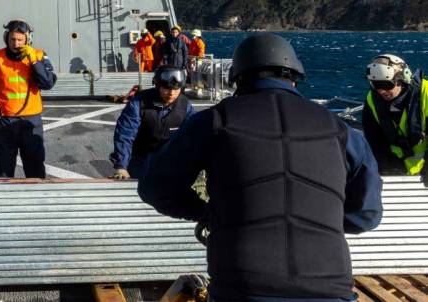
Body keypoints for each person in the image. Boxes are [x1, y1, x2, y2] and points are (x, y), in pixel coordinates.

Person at [136, 34, 383, 300]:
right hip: (329, 289)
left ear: (238, 78)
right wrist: (322, 220)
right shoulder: (341, 130)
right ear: (294, 76)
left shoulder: (214, 122)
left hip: (242, 289)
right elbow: (367, 215)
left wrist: (204, 212)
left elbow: (154, 186)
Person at [0, 20, 57, 178]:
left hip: (31, 122)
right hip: (4, 123)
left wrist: (34, 62)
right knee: (3, 171)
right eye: (12, 39)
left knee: (35, 169)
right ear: (6, 38)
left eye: (20, 40)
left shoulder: (39, 55)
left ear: (28, 39)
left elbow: (47, 83)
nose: (16, 43)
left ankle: (37, 201)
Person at [110, 65, 195, 179]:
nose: (171, 93)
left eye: (176, 90)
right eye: (166, 89)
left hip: (170, 158)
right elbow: (125, 134)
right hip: (141, 159)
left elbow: (195, 135)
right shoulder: (139, 104)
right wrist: (121, 167)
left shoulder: (185, 107)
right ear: (158, 86)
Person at [363, 53, 428, 179]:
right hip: (395, 173)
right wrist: (390, 170)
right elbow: (375, 142)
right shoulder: (372, 100)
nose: (382, 91)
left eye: (387, 85)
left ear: (403, 78)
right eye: (376, 85)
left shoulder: (426, 93)